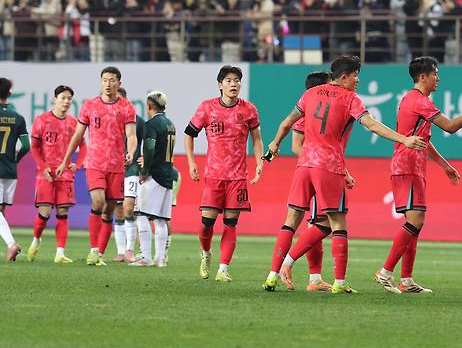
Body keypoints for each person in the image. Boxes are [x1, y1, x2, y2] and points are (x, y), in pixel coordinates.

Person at [262, 55, 427, 294]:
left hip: (304, 165)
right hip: (329, 166)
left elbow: (287, 122)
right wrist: (404, 139)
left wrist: (275, 144)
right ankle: (339, 282)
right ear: (343, 77)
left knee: (291, 220)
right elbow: (371, 124)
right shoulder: (350, 98)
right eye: (355, 75)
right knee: (337, 223)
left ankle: (272, 275)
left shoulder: (310, 94)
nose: (357, 80)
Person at [374, 56, 462, 294]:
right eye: (435, 74)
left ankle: (406, 280)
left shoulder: (415, 101)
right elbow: (451, 127)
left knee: (416, 224)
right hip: (406, 165)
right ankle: (385, 272)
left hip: (414, 166)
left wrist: (444, 165)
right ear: (423, 77)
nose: (438, 78)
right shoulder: (419, 101)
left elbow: (424, 142)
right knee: (415, 221)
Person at [184, 65, 264, 282]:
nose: (233, 84)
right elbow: (189, 135)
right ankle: (206, 252)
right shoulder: (207, 108)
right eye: (228, 80)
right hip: (214, 175)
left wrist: (259, 162)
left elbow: (256, 138)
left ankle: (223, 268)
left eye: (237, 80)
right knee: (207, 223)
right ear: (220, 85)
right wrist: (192, 162)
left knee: (231, 223)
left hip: (238, 177)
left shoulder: (248, 110)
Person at [57, 67, 137, 266]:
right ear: (100, 82)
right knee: (99, 202)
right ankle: (93, 249)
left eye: (112, 80)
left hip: (116, 165)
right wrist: (66, 160)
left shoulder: (127, 107)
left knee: (109, 210)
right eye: (104, 80)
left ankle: (98, 254)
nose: (108, 84)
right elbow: (77, 135)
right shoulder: (90, 106)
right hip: (95, 163)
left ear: (119, 82)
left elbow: (131, 135)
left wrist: (131, 152)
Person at [286, 70, 356, 291]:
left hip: (325, 167)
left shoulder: (334, 105)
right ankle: (291, 265)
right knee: (323, 223)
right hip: (319, 170)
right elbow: (296, 146)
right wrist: (318, 164)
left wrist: (342, 170)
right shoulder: (309, 112)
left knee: (318, 223)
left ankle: (314, 278)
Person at [28, 85, 87, 263]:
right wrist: (42, 166)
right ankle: (36, 240)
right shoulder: (41, 120)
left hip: (65, 175)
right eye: (63, 98)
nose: (67, 101)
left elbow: (83, 146)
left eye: (69, 98)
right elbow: (35, 147)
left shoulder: (73, 123)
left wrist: (78, 164)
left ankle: (60, 253)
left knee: (63, 213)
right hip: (45, 174)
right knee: (44, 214)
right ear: (55, 100)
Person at [129, 91, 176, 268]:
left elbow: (149, 147)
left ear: (149, 105)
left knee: (141, 214)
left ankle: (146, 257)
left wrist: (144, 171)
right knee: (161, 219)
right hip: (168, 174)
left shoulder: (152, 124)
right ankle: (160, 258)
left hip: (154, 175)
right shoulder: (170, 124)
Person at [112, 87, 145, 263]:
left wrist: (145, 157)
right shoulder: (108, 119)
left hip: (131, 169)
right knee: (117, 210)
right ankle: (120, 251)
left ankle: (130, 249)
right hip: (113, 168)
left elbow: (148, 140)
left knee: (129, 207)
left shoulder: (137, 121)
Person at [0, 77, 29, 261]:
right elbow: (26, 145)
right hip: (10, 171)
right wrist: (14, 160)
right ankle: (8, 244)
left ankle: (11, 244)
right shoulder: (18, 118)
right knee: (1, 212)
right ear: (9, 94)